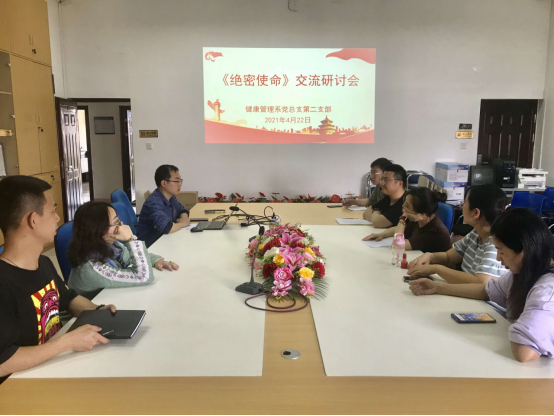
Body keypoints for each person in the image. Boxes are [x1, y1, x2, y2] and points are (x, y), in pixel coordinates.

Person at [0, 176, 117, 380]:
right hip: (19, 386)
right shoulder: (4, 283)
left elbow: (69, 299)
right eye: (52, 211)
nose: (57, 218)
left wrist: (97, 311)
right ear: (33, 220)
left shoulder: (43, 262)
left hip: (53, 367)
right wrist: (66, 343)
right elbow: (3, 362)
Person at [409, 208, 554, 363]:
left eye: (501, 252)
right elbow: (486, 290)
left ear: (524, 250)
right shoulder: (522, 273)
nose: (498, 258)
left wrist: (518, 329)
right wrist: (437, 287)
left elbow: (525, 353)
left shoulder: (546, 291)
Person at [68, 202, 179, 298]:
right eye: (116, 222)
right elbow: (144, 277)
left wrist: (156, 260)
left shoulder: (112, 246)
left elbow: (132, 257)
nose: (121, 225)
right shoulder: (89, 268)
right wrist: (131, 239)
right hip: (94, 312)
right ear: (98, 229)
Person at [407, 184, 507, 284]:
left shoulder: (494, 244)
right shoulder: (476, 233)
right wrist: (430, 256)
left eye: (464, 203)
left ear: (476, 213)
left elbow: (480, 282)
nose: (462, 207)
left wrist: (436, 269)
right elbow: (448, 257)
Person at [363, 187, 452, 253]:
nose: (403, 207)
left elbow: (397, 245)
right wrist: (381, 234)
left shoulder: (435, 233)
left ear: (421, 214)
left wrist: (402, 219)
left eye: (407, 206)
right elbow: (401, 229)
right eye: (404, 203)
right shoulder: (420, 219)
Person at [137, 165, 191, 247]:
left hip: (166, 240)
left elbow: (182, 210)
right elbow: (166, 227)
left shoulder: (171, 197)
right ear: (164, 183)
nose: (180, 184)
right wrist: (183, 224)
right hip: (150, 246)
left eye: (180, 181)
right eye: (176, 181)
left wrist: (183, 218)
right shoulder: (153, 202)